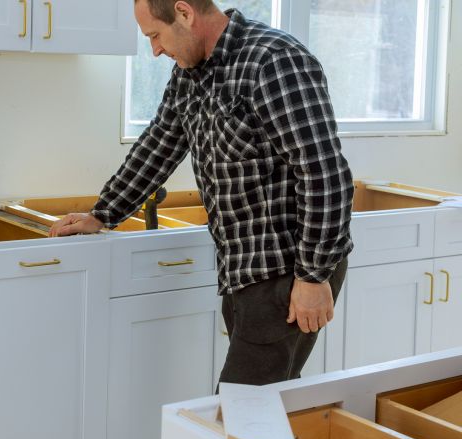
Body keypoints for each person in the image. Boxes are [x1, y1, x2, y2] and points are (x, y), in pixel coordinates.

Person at [49, 0, 354, 387]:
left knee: (240, 404)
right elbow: (159, 145)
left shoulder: (273, 61)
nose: (155, 50)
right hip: (241, 268)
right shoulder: (189, 72)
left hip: (287, 268)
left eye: (155, 35)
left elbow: (324, 173)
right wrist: (103, 214)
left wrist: (312, 276)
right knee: (263, 401)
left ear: (184, 13)